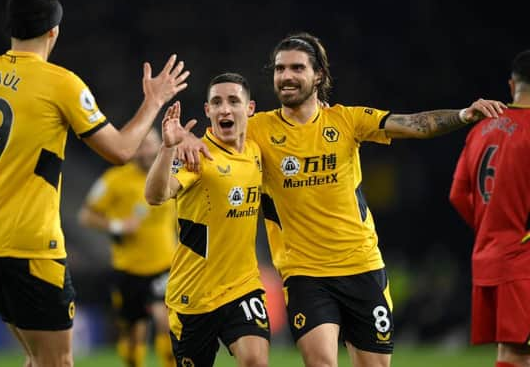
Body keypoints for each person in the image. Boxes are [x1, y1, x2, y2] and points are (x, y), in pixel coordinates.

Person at [178, 33, 506, 367]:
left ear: (318, 75)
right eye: (279, 69)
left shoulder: (347, 121)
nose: (286, 76)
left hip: (361, 264)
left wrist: (464, 114)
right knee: (321, 362)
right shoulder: (259, 128)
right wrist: (185, 140)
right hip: (304, 272)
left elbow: (413, 125)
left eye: (296, 68)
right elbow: (218, 131)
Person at [0, 0, 189, 367]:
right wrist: (154, 101)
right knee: (58, 363)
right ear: (54, 32)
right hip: (34, 248)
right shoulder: (61, 83)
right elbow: (122, 150)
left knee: (36, 359)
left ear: (10, 27)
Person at [145, 73, 270, 367]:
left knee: (256, 361)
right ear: (207, 111)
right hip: (194, 295)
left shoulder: (257, 150)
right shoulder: (196, 156)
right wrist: (167, 148)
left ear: (249, 108)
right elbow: (155, 196)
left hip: (243, 286)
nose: (225, 109)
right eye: (217, 102)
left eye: (233, 101)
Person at [449, 51, 530, 367]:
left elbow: (458, 195)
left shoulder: (480, 130)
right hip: (522, 262)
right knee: (517, 355)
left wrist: (490, 227)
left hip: (489, 258)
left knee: (509, 353)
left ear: (512, 86)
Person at [78, 128, 177, 367]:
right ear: (133, 149)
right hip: (129, 269)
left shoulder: (171, 175)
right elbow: (86, 215)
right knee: (134, 339)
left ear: (159, 146)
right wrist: (118, 226)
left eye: (152, 144)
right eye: (141, 145)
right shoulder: (114, 179)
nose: (147, 150)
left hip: (166, 264)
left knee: (167, 323)